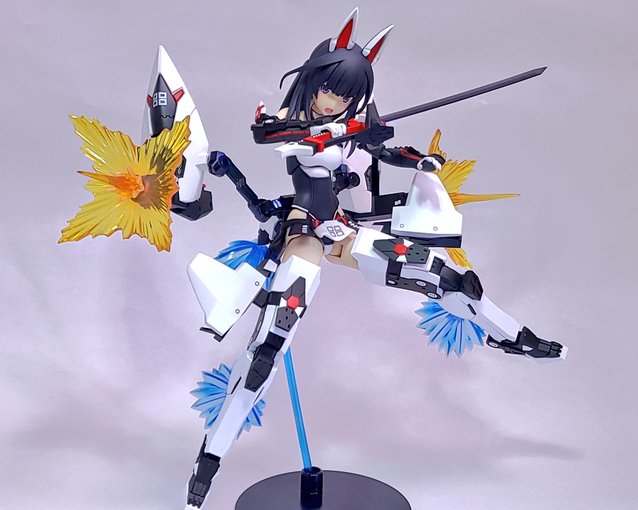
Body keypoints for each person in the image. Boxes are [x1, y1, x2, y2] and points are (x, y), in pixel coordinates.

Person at [185, 8, 564, 509]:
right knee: (269, 345)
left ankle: (511, 336)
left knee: (444, 276)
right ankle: (206, 469)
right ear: (313, 81)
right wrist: (310, 136)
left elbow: (388, 151)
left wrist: (418, 159)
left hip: (345, 229)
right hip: (304, 231)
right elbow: (266, 133)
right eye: (331, 89)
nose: (336, 101)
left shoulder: (353, 123)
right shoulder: (292, 122)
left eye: (347, 95)